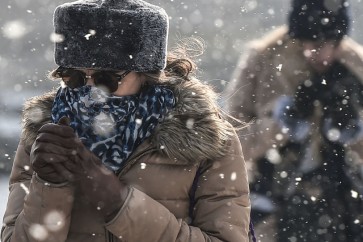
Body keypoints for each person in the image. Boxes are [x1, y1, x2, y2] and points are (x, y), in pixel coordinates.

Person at [1, 0, 251, 241]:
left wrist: (119, 204)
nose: (91, 94)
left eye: (106, 79)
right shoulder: (45, 133)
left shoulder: (207, 139)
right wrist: (50, 185)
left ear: (146, 74)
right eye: (74, 77)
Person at [223, 0, 363, 241]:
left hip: (343, 204)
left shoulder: (356, 65)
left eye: (332, 43)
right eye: (314, 43)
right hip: (271, 198)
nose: (323, 54)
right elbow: (229, 142)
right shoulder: (263, 59)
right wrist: (279, 125)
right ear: (296, 37)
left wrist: (351, 130)